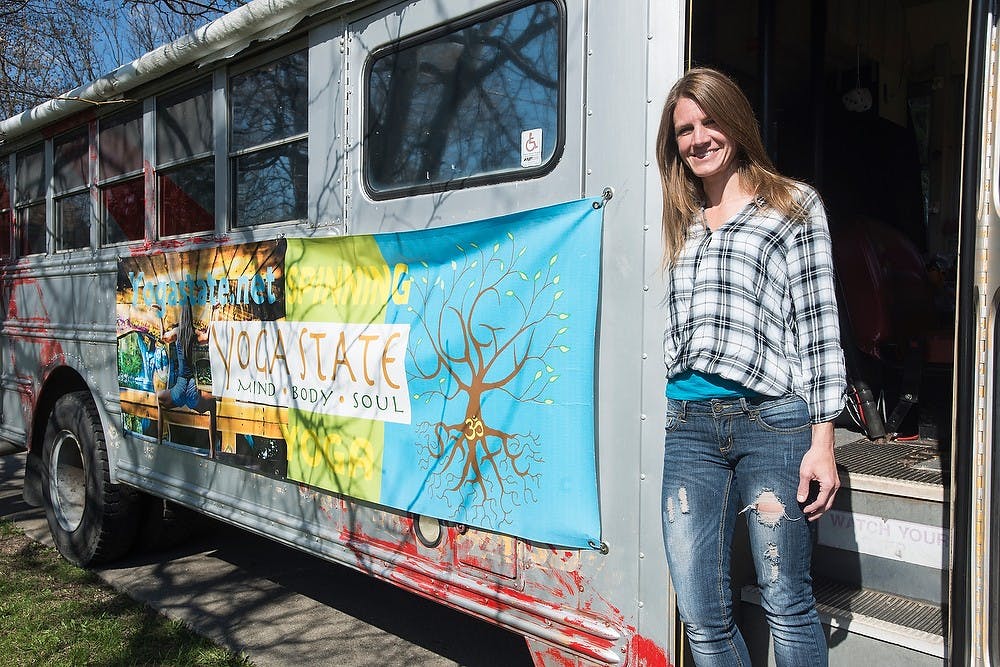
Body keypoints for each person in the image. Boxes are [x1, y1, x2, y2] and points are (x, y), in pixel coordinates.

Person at [656, 67, 846, 666]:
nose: (698, 138)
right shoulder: (679, 220)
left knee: (785, 599)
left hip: (773, 423)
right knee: (699, 611)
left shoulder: (792, 205)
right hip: (689, 428)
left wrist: (824, 441)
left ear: (736, 123)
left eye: (710, 121)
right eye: (684, 129)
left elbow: (819, 325)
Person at [156, 302, 217, 452]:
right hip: (192, 390)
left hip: (179, 388)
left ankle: (159, 442)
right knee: (213, 406)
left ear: (181, 316)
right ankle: (212, 453)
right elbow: (207, 337)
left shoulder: (177, 332)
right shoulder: (194, 333)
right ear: (190, 316)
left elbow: (163, 337)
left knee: (159, 399)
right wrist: (212, 314)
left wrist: (159, 316)